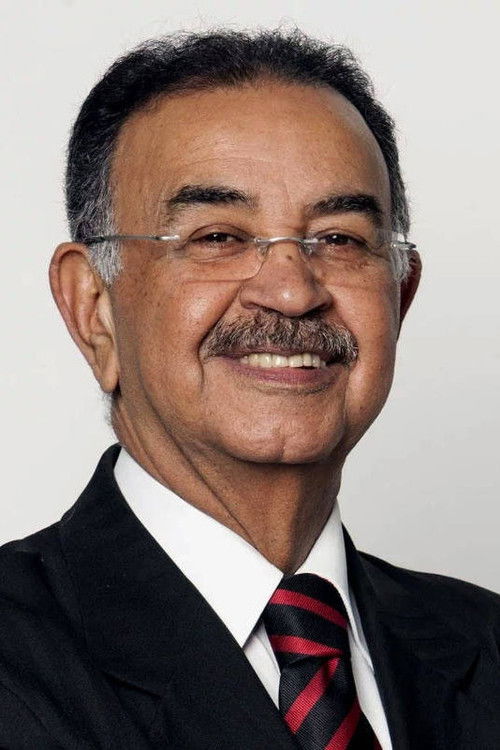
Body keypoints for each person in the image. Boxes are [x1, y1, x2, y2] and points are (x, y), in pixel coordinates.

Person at [0, 28, 498, 750]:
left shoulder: (485, 644)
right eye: (218, 237)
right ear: (94, 308)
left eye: (340, 239)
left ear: (400, 297)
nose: (293, 292)